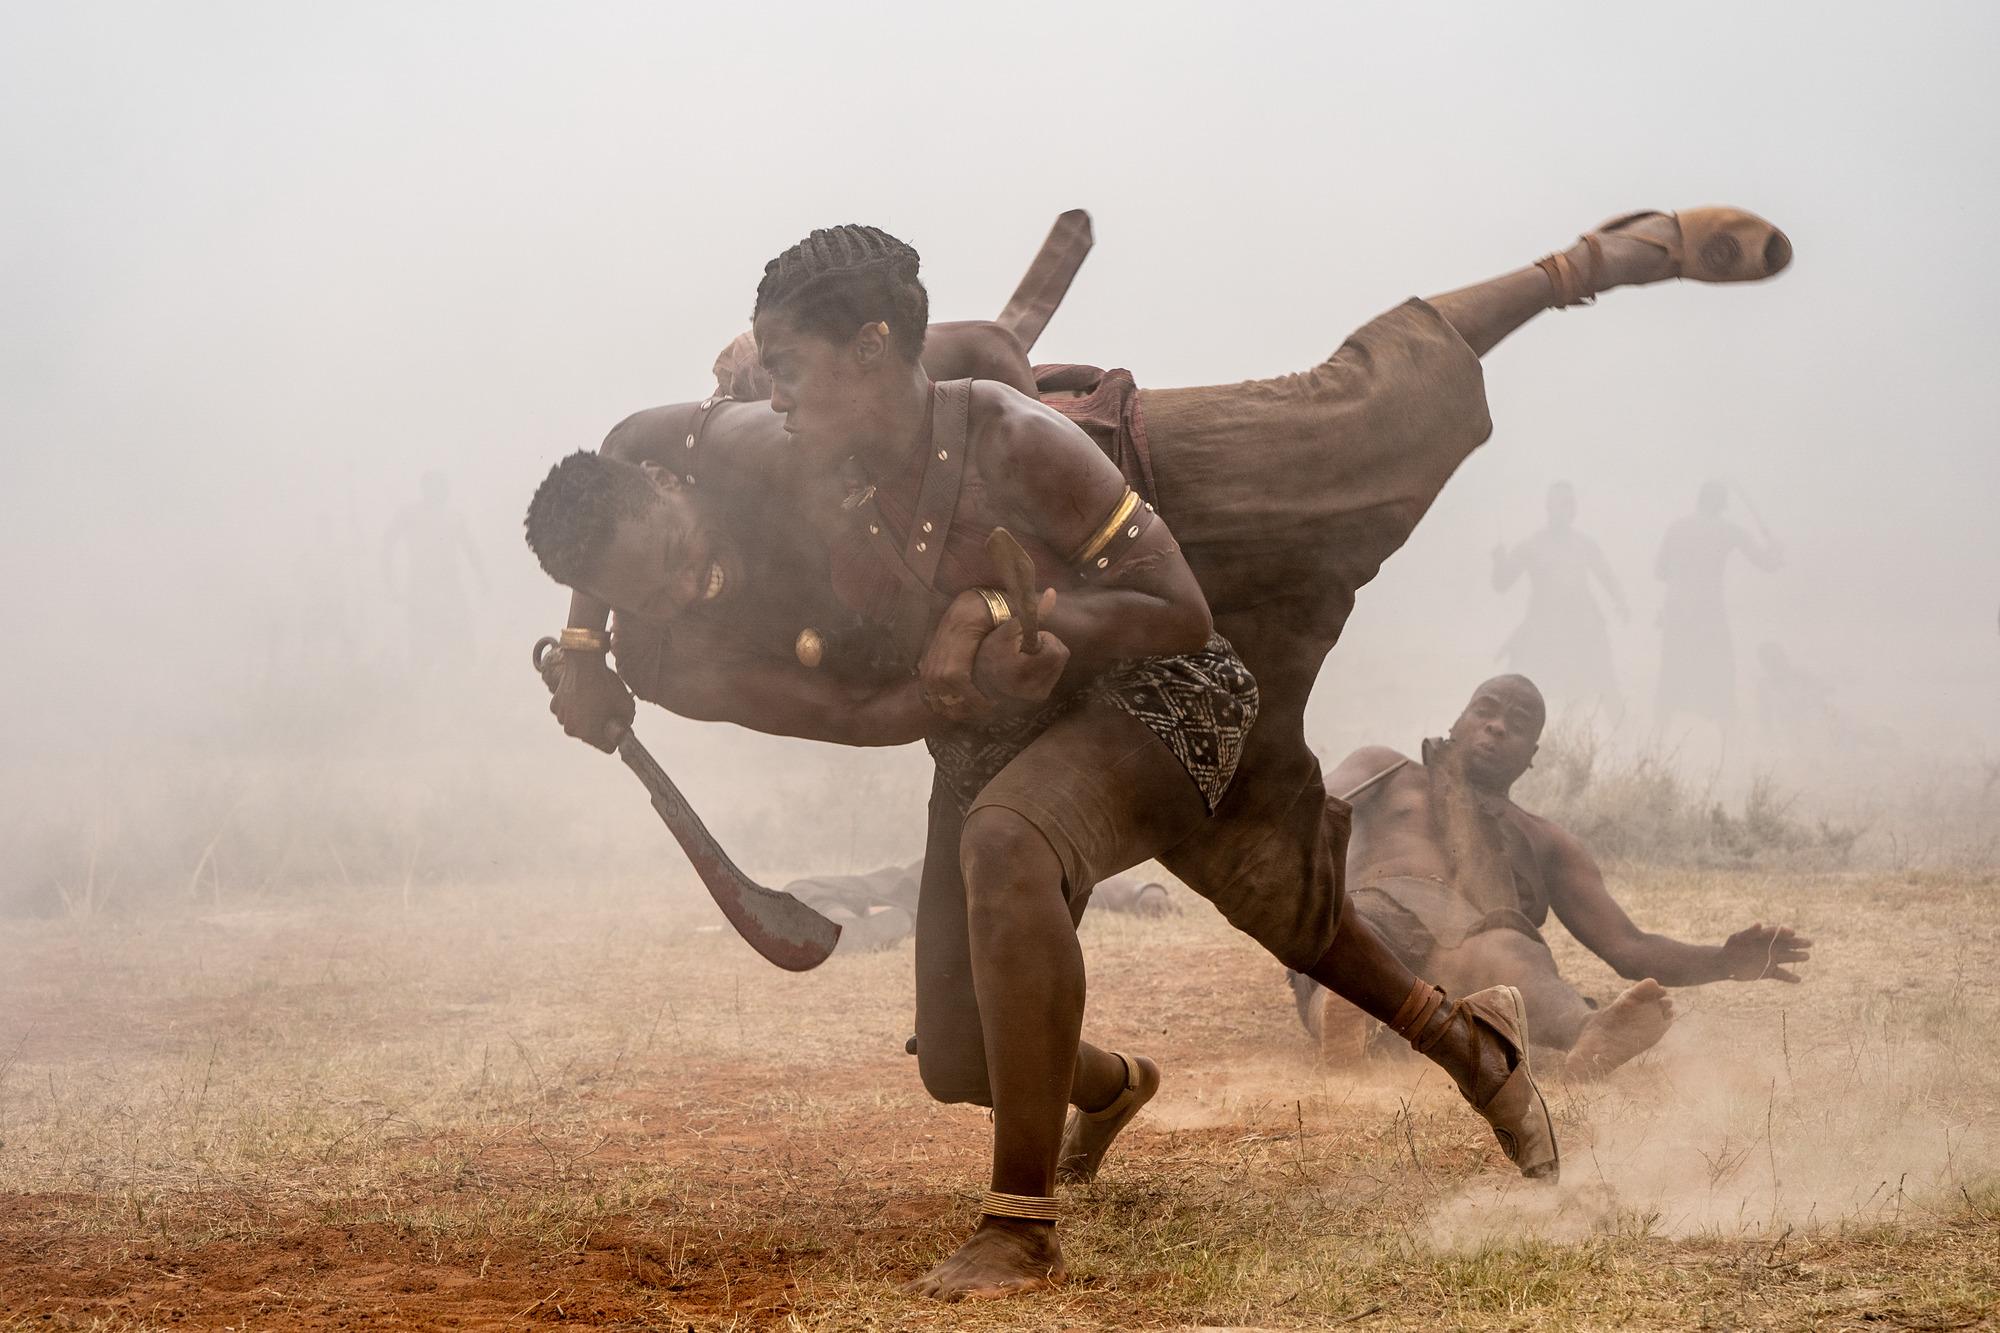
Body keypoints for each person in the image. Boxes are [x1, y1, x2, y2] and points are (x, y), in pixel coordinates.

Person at [526, 204, 1793, 1299]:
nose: (679, 589)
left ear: (862, 355)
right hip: (1009, 699)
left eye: (799, 372)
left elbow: (1149, 585)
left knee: (1349, 418)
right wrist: (596, 642)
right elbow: (849, 687)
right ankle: (1386, 1052)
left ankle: (1586, 260)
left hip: (1148, 580)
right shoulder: (747, 532)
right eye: (637, 594)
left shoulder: (937, 432)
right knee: (1071, 993)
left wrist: (1037, 617)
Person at [1289, 675, 1814, 1076]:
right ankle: (1339, 1016)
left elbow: (1629, 946)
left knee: (1516, 952)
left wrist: (1723, 962)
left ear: (1531, 755)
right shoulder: (1388, 769)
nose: (1496, 726)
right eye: (1486, 711)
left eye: (1516, 723)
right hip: (1374, 911)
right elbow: (1309, 809)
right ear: (1459, 720)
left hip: (1470, 957)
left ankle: (1590, 1032)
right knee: (1343, 930)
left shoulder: (1545, 841)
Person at [1654, 479, 1783, 734]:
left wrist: (1682, 581)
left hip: (1676, 613)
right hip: (1709, 615)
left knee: (1671, 675)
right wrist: (1776, 551)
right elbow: (1767, 563)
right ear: (1721, 505)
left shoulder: (1677, 528)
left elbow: (1659, 571)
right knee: (1721, 676)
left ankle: (1658, 740)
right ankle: (1731, 744)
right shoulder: (1728, 530)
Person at [1492, 481, 1626, 722]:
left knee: (1605, 683)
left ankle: (1623, 738)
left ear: (1574, 510)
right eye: (1558, 505)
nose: (1564, 511)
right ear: (1549, 508)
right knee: (1518, 687)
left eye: (1568, 505)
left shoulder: (1584, 544)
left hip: (1584, 627)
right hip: (1543, 628)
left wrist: (1621, 602)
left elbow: (1606, 575)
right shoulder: (1532, 545)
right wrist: (1499, 561)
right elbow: (1502, 583)